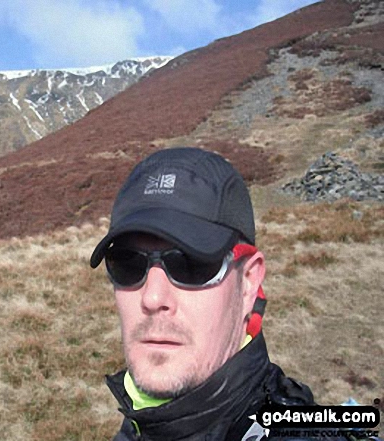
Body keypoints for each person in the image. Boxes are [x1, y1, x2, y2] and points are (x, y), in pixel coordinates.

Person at [89, 147, 357, 441]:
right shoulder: (142, 421)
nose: (152, 298)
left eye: (192, 265)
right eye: (127, 263)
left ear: (249, 283)